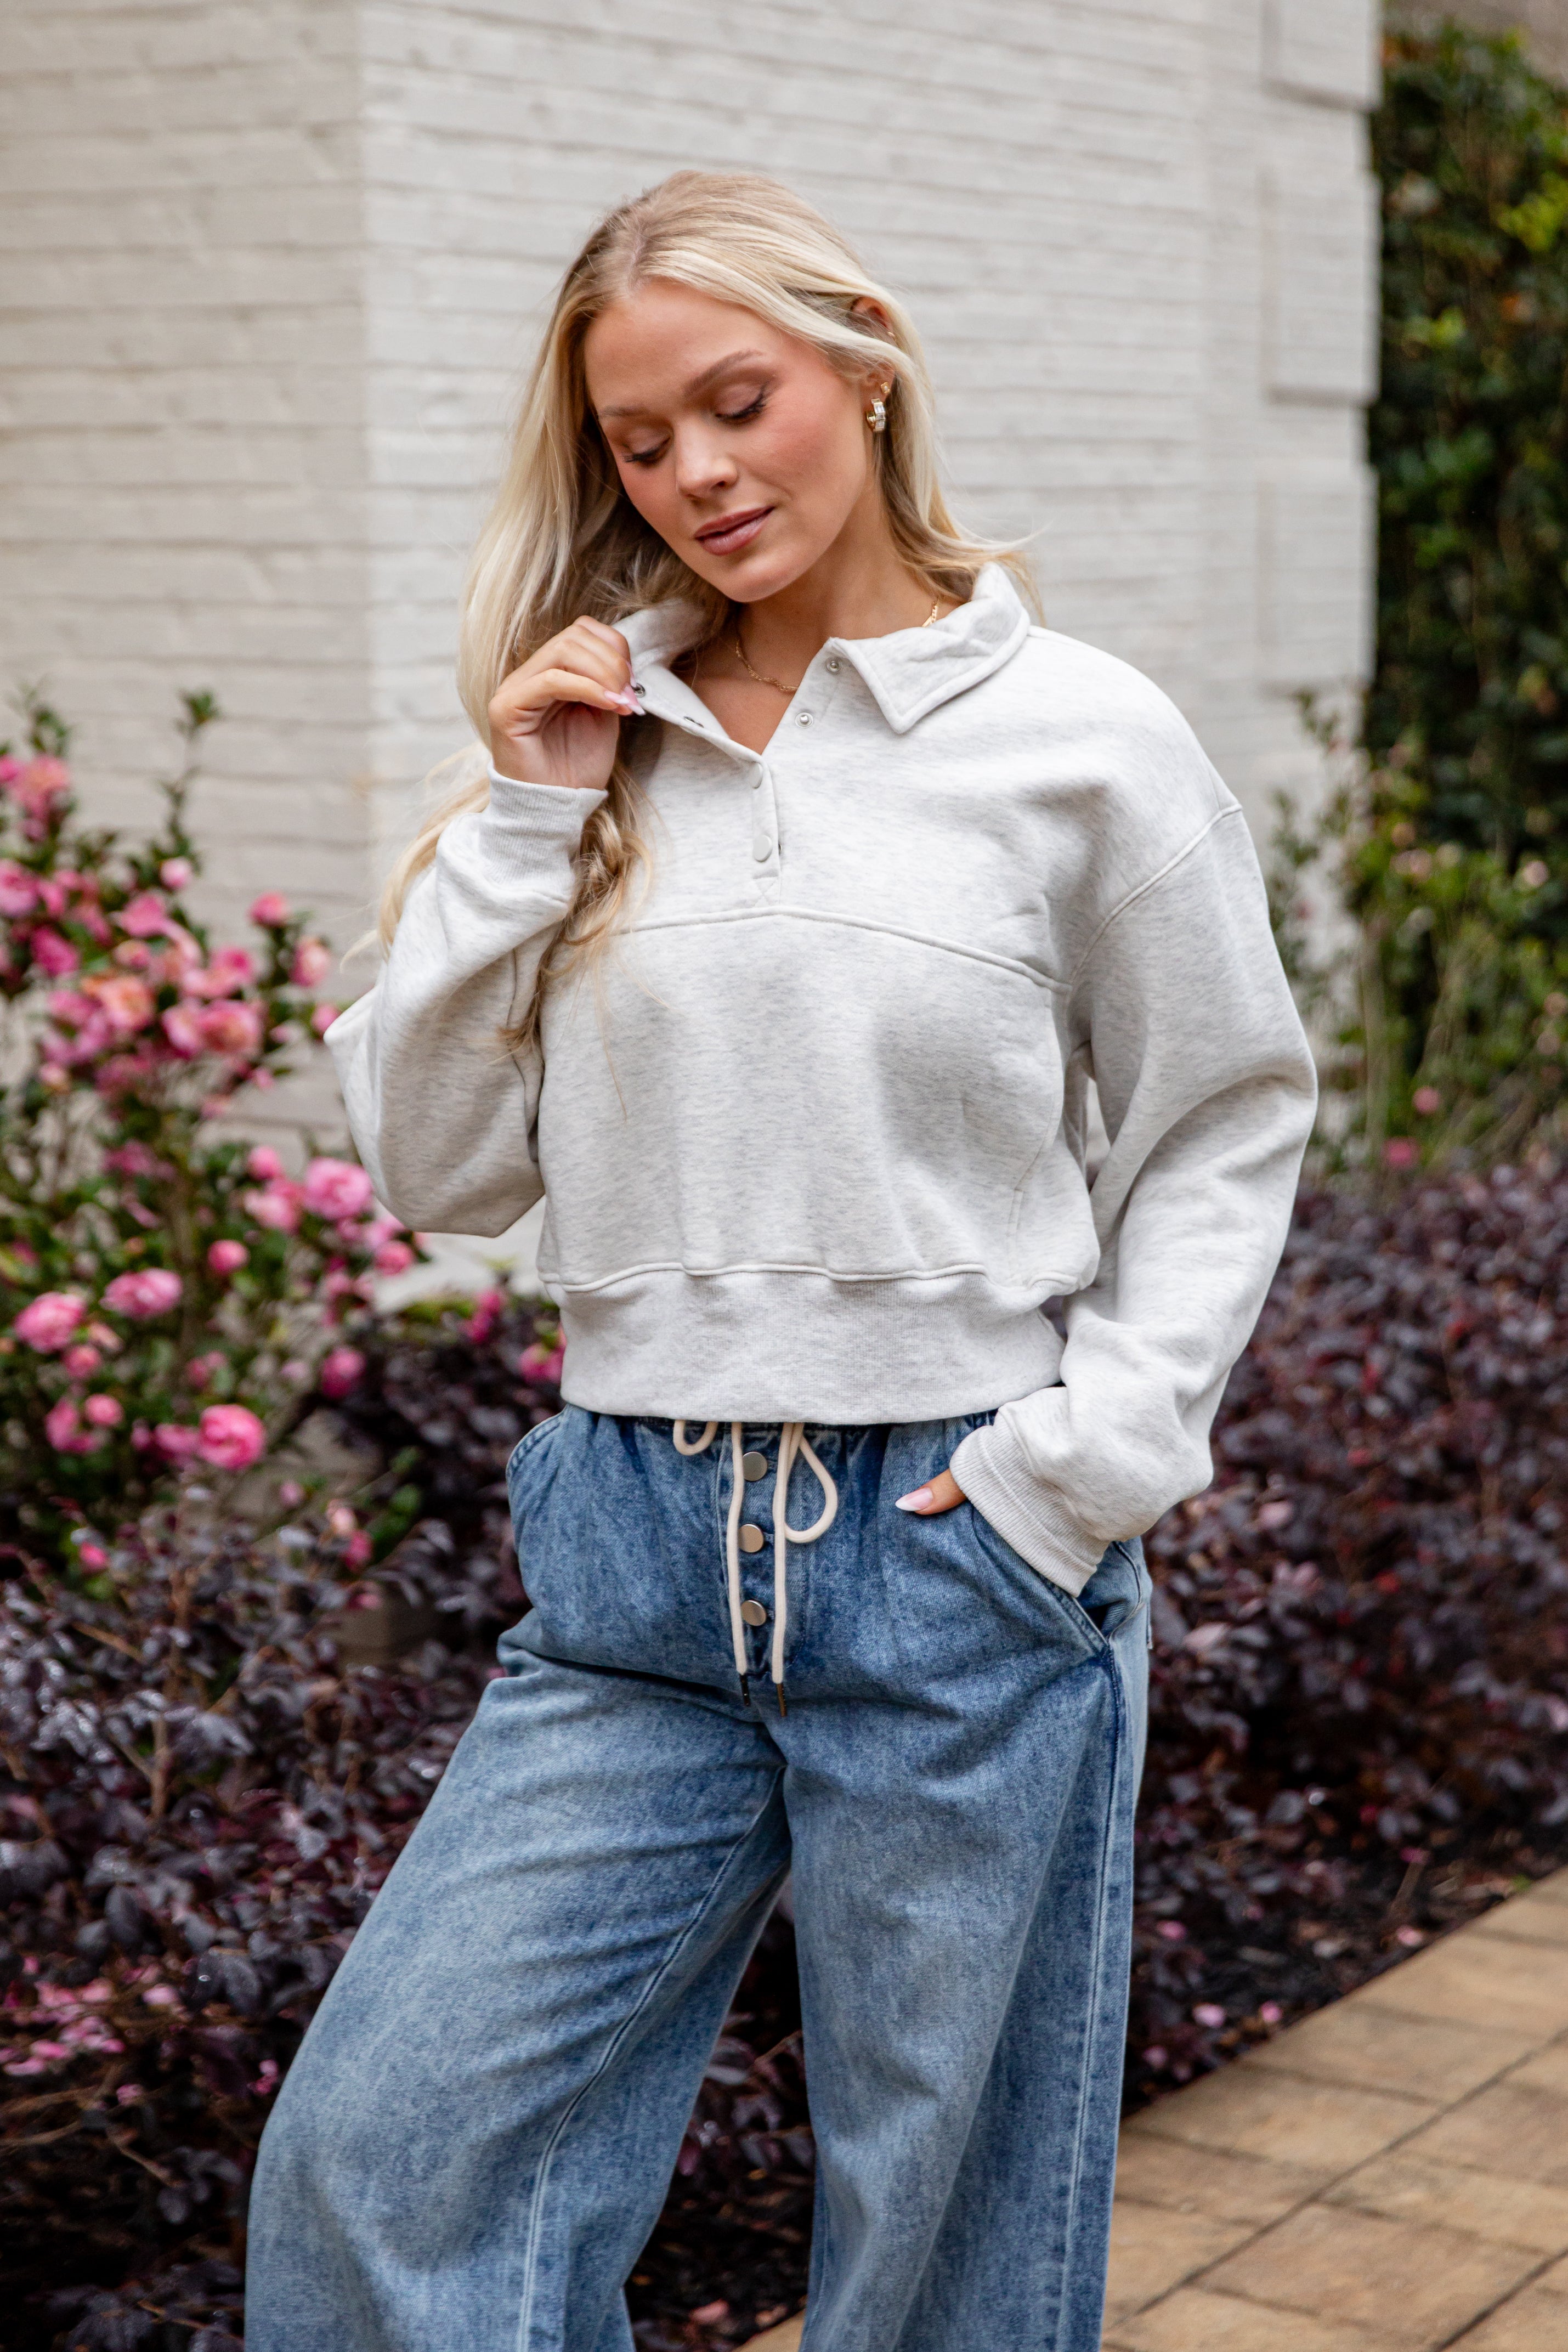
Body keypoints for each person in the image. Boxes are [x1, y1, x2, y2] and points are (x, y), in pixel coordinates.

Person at [247, 169, 1317, 2352]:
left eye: (735, 401)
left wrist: (1084, 1463)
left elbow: (1224, 1112)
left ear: (863, 354)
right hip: (636, 1566)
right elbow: (440, 1171)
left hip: (959, 1553)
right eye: (641, 442)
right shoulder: (588, 744)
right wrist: (529, 811)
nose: (698, 474)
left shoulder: (1081, 737)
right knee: (387, 2158)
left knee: (942, 2255)